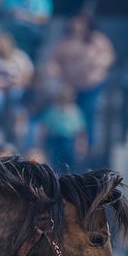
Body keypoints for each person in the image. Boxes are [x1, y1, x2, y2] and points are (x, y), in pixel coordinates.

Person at [43, 13, 115, 152]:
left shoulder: (97, 40)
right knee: (72, 116)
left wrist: (99, 62)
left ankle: (89, 144)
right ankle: (71, 145)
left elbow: (108, 56)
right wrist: (53, 71)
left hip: (91, 85)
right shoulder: (65, 41)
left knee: (88, 112)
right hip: (70, 87)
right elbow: (54, 60)